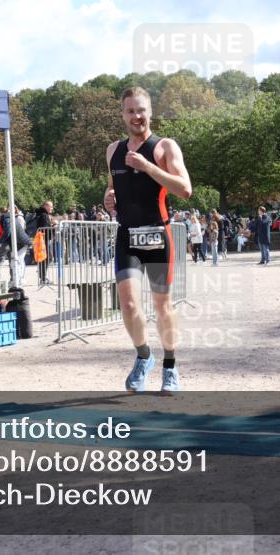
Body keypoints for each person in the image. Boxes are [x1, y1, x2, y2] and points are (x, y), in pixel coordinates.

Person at [103, 87, 192, 395]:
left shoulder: (165, 146)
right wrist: (109, 198)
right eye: (130, 111)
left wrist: (148, 167)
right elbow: (115, 188)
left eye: (141, 110)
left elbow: (184, 189)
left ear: (150, 112)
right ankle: (144, 356)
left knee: (162, 306)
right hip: (127, 234)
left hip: (158, 234)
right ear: (123, 115)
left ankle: (170, 366)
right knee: (127, 304)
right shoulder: (113, 150)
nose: (136, 116)